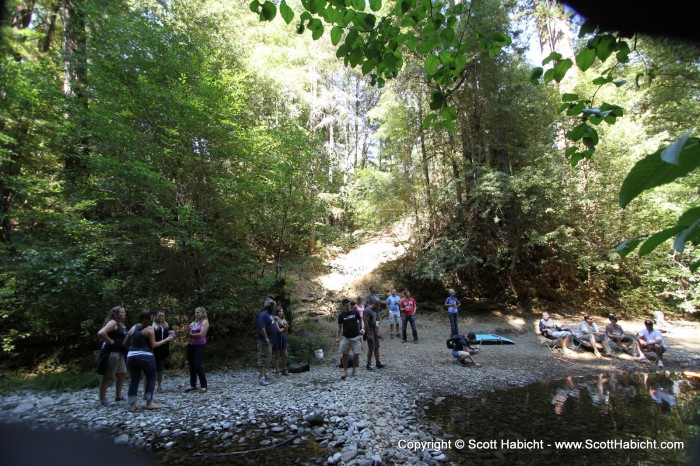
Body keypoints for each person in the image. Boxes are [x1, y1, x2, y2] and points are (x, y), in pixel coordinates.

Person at [123, 310, 174, 411]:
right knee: (151, 378)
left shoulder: (133, 328)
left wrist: (133, 349)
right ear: (150, 318)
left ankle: (132, 405)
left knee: (134, 380)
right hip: (146, 356)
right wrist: (166, 340)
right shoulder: (149, 328)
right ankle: (149, 402)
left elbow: (125, 343)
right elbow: (153, 345)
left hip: (131, 356)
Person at [97, 306, 128, 407]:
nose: (124, 314)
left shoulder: (121, 324)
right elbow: (101, 332)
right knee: (108, 375)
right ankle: (102, 399)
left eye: (124, 312)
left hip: (121, 352)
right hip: (112, 352)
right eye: (122, 312)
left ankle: (118, 395)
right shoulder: (113, 322)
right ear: (116, 314)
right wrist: (110, 341)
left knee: (122, 373)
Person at [337, 298, 364, 379]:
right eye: (347, 305)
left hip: (356, 337)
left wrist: (362, 328)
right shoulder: (341, 315)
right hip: (346, 337)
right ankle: (345, 371)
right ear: (343, 306)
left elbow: (361, 319)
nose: (349, 307)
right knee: (345, 354)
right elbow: (339, 326)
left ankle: (354, 369)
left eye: (349, 305)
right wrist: (337, 336)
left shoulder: (355, 312)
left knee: (356, 354)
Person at [186, 306, 209, 392]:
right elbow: (187, 334)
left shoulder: (205, 322)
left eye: (198, 312)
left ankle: (204, 385)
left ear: (203, 313)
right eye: (195, 312)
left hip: (200, 345)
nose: (196, 314)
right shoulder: (194, 322)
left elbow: (201, 335)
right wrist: (189, 329)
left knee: (197, 365)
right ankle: (193, 385)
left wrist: (191, 334)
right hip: (191, 345)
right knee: (191, 365)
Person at [152, 310, 174, 393]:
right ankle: (147, 388)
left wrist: (171, 334)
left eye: (162, 316)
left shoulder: (167, 325)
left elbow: (171, 333)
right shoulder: (152, 325)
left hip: (163, 350)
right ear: (155, 316)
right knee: (150, 369)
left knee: (160, 369)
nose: (161, 317)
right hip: (153, 349)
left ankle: (159, 385)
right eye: (159, 316)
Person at [257, 298, 276, 386]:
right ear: (270, 307)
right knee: (263, 357)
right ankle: (261, 377)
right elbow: (262, 327)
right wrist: (266, 338)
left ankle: (264, 374)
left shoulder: (268, 315)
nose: (274, 308)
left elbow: (270, 324)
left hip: (270, 340)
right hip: (264, 340)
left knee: (267, 357)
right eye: (273, 306)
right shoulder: (263, 315)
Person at [364, 300, 385, 370]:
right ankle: (368, 364)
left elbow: (378, 320)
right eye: (378, 306)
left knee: (376, 347)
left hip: (374, 330)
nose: (379, 308)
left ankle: (378, 363)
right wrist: (368, 334)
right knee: (371, 348)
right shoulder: (367, 310)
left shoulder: (376, 310)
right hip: (369, 330)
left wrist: (377, 331)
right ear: (375, 305)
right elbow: (366, 322)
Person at [274, 307, 289, 376]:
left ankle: (284, 369)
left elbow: (286, 330)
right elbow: (278, 330)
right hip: (277, 338)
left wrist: (286, 327)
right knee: (277, 355)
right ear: (277, 312)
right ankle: (277, 370)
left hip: (283, 338)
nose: (281, 313)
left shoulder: (284, 320)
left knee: (285, 355)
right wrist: (284, 327)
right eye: (279, 311)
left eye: (282, 311)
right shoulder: (275, 320)